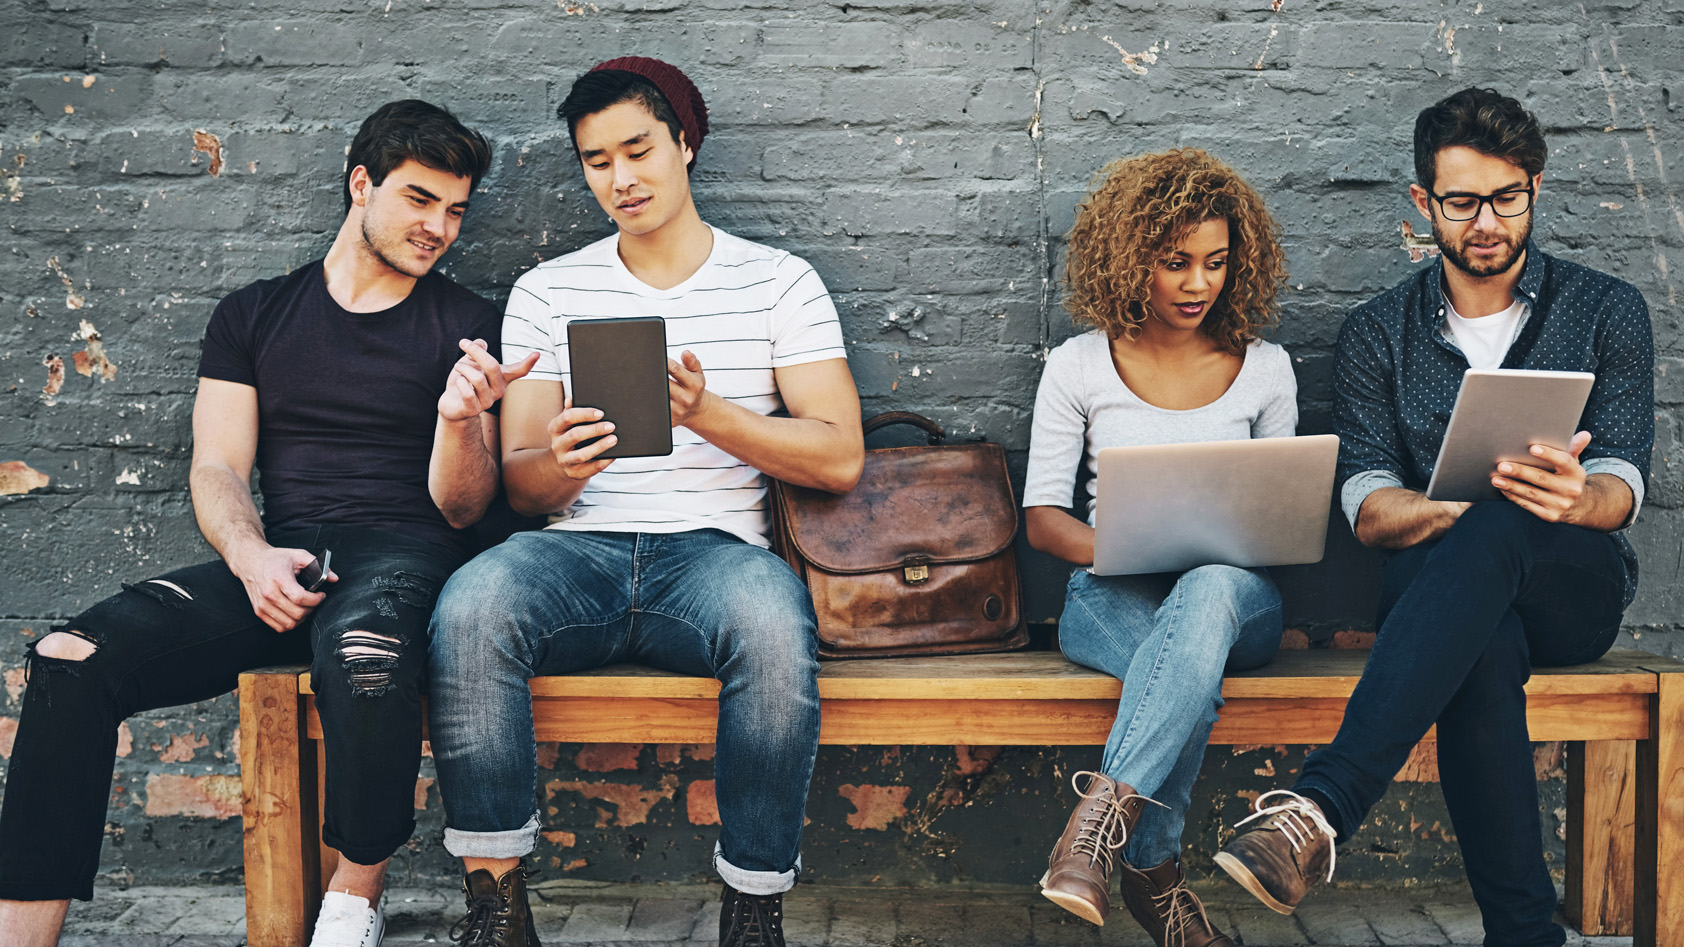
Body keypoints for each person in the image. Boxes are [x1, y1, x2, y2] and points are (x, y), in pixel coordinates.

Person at [0, 100, 534, 947]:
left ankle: (351, 907)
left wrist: (463, 419)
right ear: (361, 185)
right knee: (71, 659)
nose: (440, 227)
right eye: (420, 199)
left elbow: (466, 508)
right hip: (283, 560)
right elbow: (216, 465)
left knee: (366, 659)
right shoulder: (253, 315)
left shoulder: (468, 324)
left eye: (456, 210)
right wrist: (250, 556)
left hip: (407, 553)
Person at [425, 58, 864, 947]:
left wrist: (708, 414)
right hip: (575, 551)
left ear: (685, 143)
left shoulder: (779, 282)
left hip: (716, 554)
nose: (620, 179)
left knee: (775, 628)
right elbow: (520, 482)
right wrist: (565, 463)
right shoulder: (550, 291)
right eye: (596, 161)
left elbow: (840, 455)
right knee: (470, 607)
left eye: (638, 150)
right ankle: (498, 909)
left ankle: (752, 912)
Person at [1215, 88, 1653, 947]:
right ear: (1425, 205)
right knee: (1479, 623)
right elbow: (1370, 511)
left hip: (1573, 586)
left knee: (1507, 525)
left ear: (1535, 188)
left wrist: (1577, 498)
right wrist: (1452, 506)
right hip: (1447, 596)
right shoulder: (1380, 330)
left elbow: (1625, 482)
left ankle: (1322, 804)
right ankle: (1525, 934)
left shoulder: (1606, 310)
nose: (1486, 221)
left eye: (1507, 198)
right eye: (1461, 202)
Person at [1023, 148, 1295, 947]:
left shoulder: (1266, 370)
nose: (1196, 284)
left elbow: (1277, 526)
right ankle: (1153, 876)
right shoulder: (1078, 365)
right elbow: (1043, 519)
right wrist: (1124, 545)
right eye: (1174, 262)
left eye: (1215, 262)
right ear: (1129, 257)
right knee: (1182, 675)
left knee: (1208, 589)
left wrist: (1213, 556)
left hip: (1237, 602)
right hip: (1110, 592)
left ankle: (1093, 831)